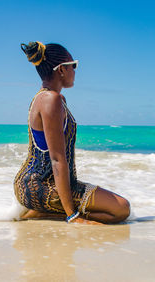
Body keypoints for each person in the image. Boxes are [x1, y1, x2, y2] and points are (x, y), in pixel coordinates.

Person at [14, 41, 130, 224]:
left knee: (120, 208)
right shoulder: (51, 100)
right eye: (73, 65)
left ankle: (42, 213)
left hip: (37, 185)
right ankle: (50, 213)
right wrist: (72, 215)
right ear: (61, 70)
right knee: (121, 209)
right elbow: (56, 159)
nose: (75, 71)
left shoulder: (49, 98)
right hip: (41, 187)